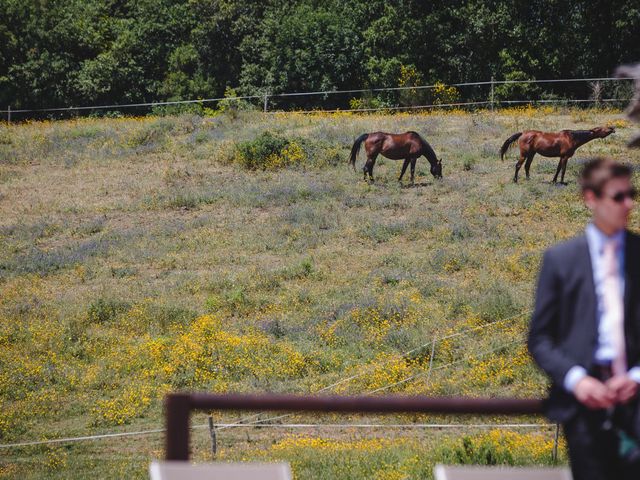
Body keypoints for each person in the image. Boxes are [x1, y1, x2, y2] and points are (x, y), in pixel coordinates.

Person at [528, 157, 640, 480]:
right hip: (582, 407)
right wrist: (578, 380)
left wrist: (634, 377)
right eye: (618, 196)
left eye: (631, 194)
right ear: (591, 199)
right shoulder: (561, 260)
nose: (629, 204)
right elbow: (540, 339)